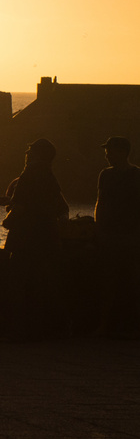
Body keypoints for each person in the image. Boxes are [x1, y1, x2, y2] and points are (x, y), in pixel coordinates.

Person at [1, 138, 69, 337]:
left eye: (30, 150)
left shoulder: (29, 173)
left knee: (19, 282)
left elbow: (21, 207)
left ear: (37, 154)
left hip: (26, 237)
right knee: (42, 283)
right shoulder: (49, 175)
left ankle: (19, 329)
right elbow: (57, 205)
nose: (27, 153)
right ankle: (46, 327)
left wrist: (7, 214)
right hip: (46, 236)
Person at [95, 136, 140, 335]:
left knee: (124, 281)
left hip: (128, 236)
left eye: (109, 151)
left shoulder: (132, 176)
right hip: (115, 235)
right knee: (111, 282)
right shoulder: (106, 175)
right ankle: (106, 326)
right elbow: (100, 203)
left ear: (121, 152)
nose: (107, 156)